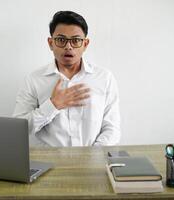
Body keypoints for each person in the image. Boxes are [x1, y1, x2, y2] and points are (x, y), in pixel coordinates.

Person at [13, 11, 121, 146]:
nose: (68, 46)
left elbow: (112, 128)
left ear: (85, 44)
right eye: (61, 40)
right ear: (51, 43)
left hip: (94, 160)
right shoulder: (33, 80)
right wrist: (53, 105)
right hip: (50, 163)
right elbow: (18, 129)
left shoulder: (104, 78)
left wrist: (92, 156)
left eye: (76, 40)